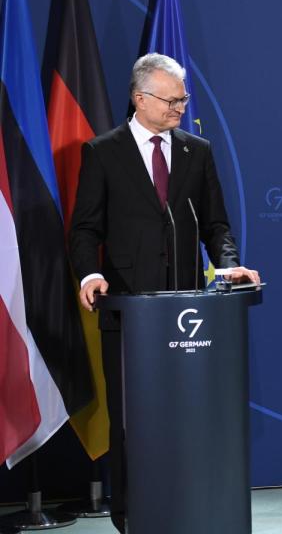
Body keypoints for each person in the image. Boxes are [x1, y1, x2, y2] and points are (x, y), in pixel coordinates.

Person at [69, 53, 259, 533]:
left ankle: (191, 510)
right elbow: (85, 230)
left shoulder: (198, 151)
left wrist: (228, 266)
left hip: (190, 311)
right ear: (140, 98)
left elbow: (216, 225)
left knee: (190, 416)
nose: (180, 108)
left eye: (183, 100)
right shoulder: (103, 152)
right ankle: (131, 517)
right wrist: (90, 276)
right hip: (130, 314)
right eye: (171, 100)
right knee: (133, 422)